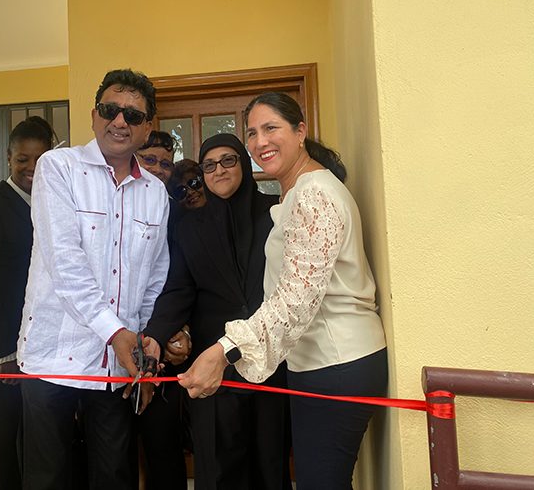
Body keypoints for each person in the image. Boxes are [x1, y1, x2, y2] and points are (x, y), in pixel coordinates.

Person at [176, 92, 389, 489]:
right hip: (322, 363)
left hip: (337, 362)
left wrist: (224, 351)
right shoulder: (298, 192)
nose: (260, 142)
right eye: (252, 132)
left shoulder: (313, 195)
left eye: (271, 128)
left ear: (301, 131)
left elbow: (294, 300)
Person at [16, 69, 169, 490]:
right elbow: (66, 266)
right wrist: (118, 334)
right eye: (111, 110)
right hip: (53, 357)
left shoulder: (156, 192)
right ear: (94, 114)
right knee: (49, 480)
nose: (120, 121)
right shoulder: (58, 168)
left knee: (114, 476)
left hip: (117, 368)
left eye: (133, 116)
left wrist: (142, 349)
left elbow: (156, 278)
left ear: (147, 128)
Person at [143, 133, 291, 490]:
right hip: (215, 365)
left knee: (271, 466)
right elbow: (179, 289)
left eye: (228, 160)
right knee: (219, 470)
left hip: (271, 361)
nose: (218, 170)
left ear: (243, 161)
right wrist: (155, 335)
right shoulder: (189, 227)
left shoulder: (276, 212)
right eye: (209, 165)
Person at [0, 116, 54, 490]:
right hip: (8, 349)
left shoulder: (53, 202)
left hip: (48, 344)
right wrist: (3, 351)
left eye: (38, 159)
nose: (29, 168)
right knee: (4, 438)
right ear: (9, 157)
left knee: (42, 439)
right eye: (21, 159)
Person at [132, 130, 190, 490]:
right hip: (116, 346)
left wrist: (181, 331)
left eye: (166, 163)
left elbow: (185, 281)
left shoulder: (182, 214)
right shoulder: (110, 205)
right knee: (116, 449)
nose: (158, 169)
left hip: (165, 347)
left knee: (163, 449)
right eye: (149, 159)